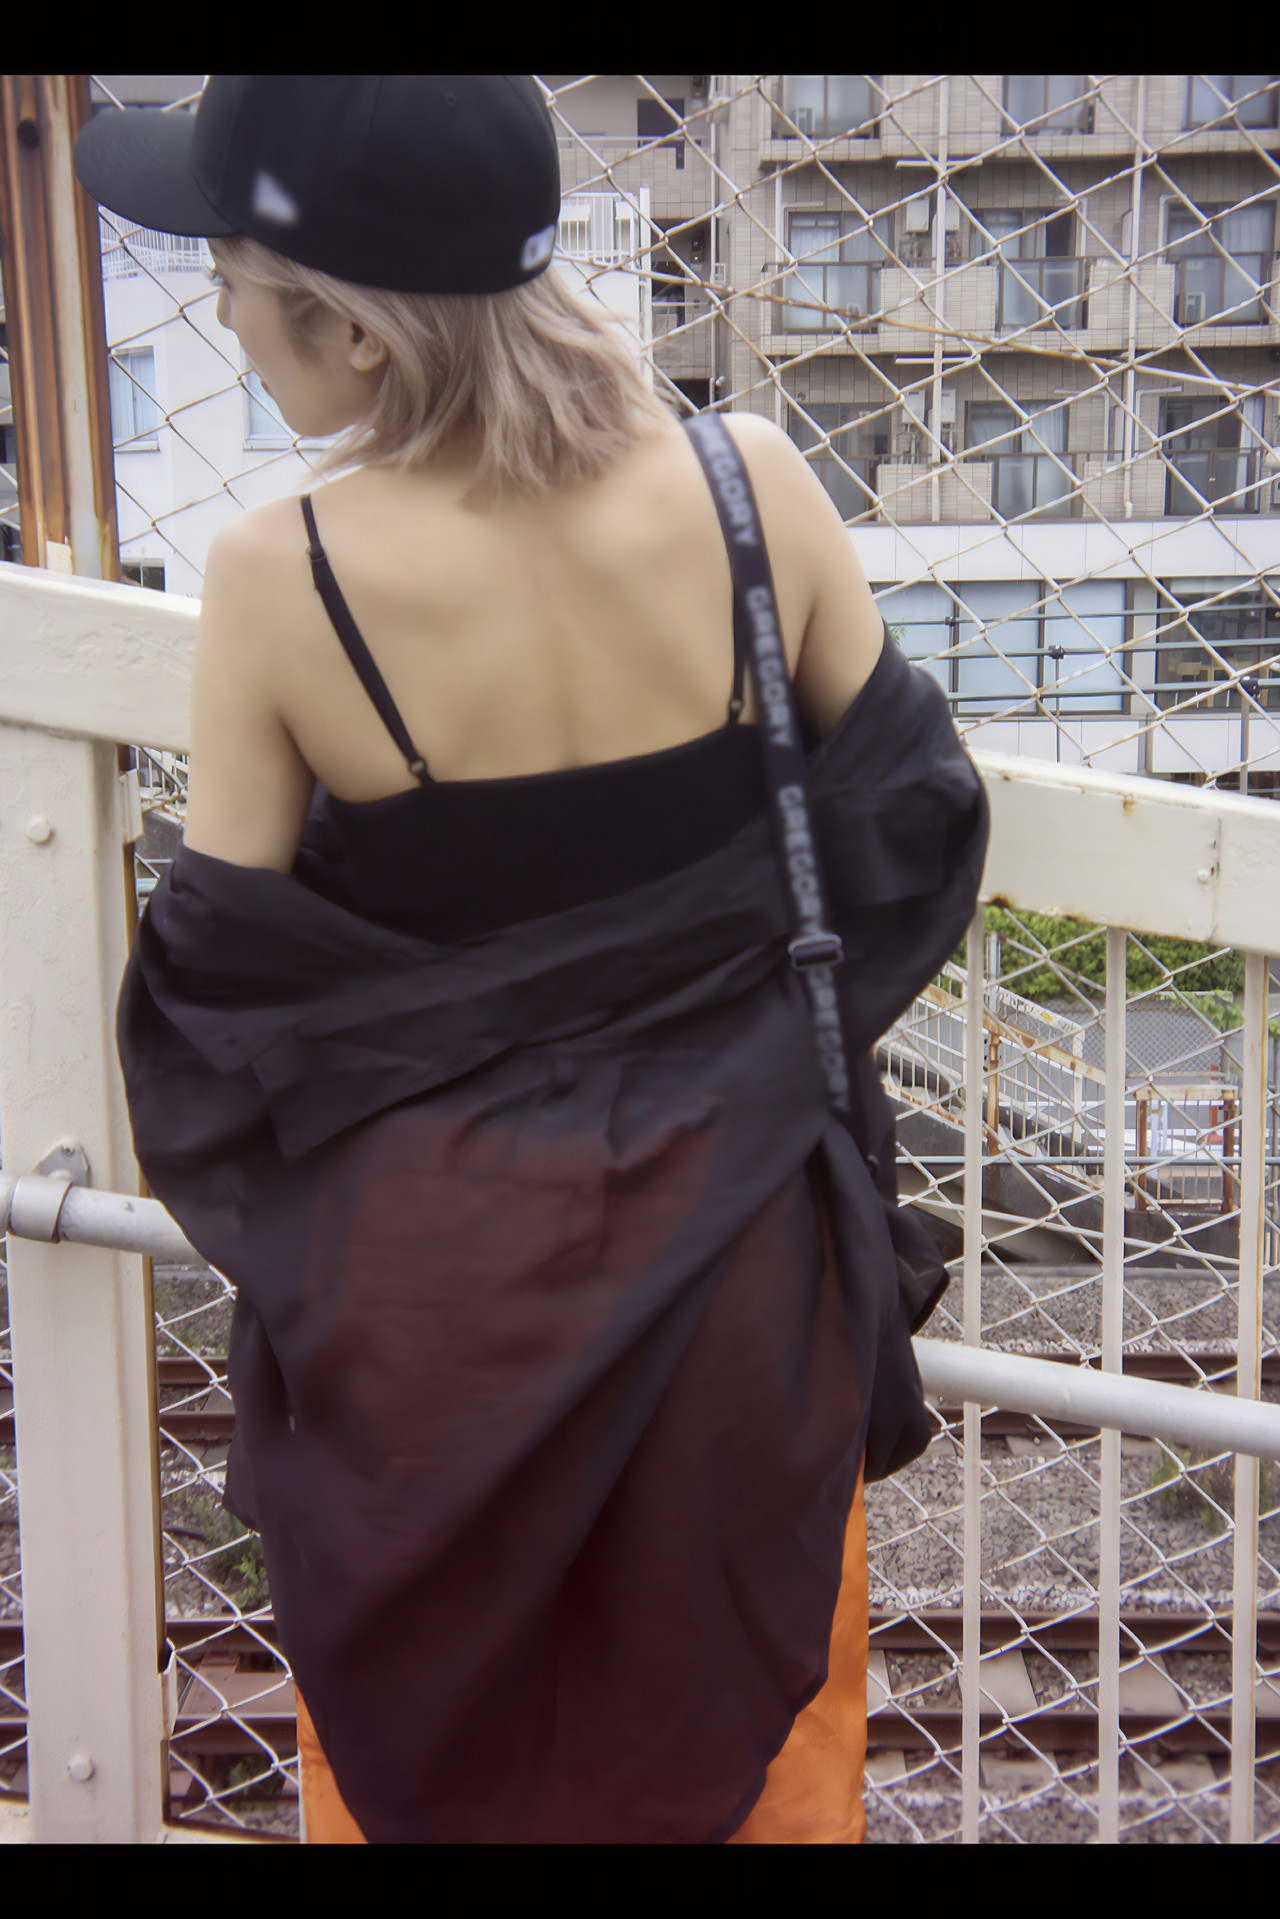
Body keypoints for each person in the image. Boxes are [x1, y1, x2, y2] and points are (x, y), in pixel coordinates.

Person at [77, 77, 989, 1844]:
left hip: (435, 1300)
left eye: (232, 279)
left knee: (431, 1746)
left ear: (352, 329)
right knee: (764, 1751)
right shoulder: (751, 490)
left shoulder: (284, 574)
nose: (225, 312)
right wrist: (718, 1024)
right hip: (746, 1263)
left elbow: (219, 995)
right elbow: (911, 821)